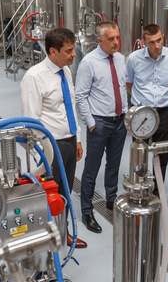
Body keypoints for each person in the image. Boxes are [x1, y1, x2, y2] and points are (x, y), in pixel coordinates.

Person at [20, 28, 87, 248]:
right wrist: (42, 154)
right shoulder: (34, 77)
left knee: (65, 191)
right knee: (49, 194)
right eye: (68, 50)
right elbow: (31, 120)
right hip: (50, 146)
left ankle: (63, 231)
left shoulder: (65, 70)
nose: (73, 54)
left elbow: (70, 107)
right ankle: (47, 237)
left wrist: (77, 138)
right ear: (52, 52)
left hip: (69, 142)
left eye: (73, 49)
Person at [74, 21, 127, 234]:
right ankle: (87, 211)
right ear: (100, 40)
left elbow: (122, 88)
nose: (116, 42)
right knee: (91, 168)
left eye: (117, 37)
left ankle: (111, 200)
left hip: (119, 122)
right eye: (111, 39)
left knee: (114, 165)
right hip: (100, 123)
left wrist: (125, 112)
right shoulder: (89, 62)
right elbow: (80, 96)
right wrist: (91, 123)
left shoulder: (120, 59)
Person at [126, 24, 168, 194]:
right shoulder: (134, 59)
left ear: (163, 36)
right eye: (151, 42)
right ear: (144, 42)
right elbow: (129, 84)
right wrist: (141, 101)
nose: (156, 45)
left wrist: (162, 99)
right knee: (139, 152)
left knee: (162, 152)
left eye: (159, 40)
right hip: (141, 112)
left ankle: (157, 191)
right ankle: (139, 188)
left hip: (163, 111)